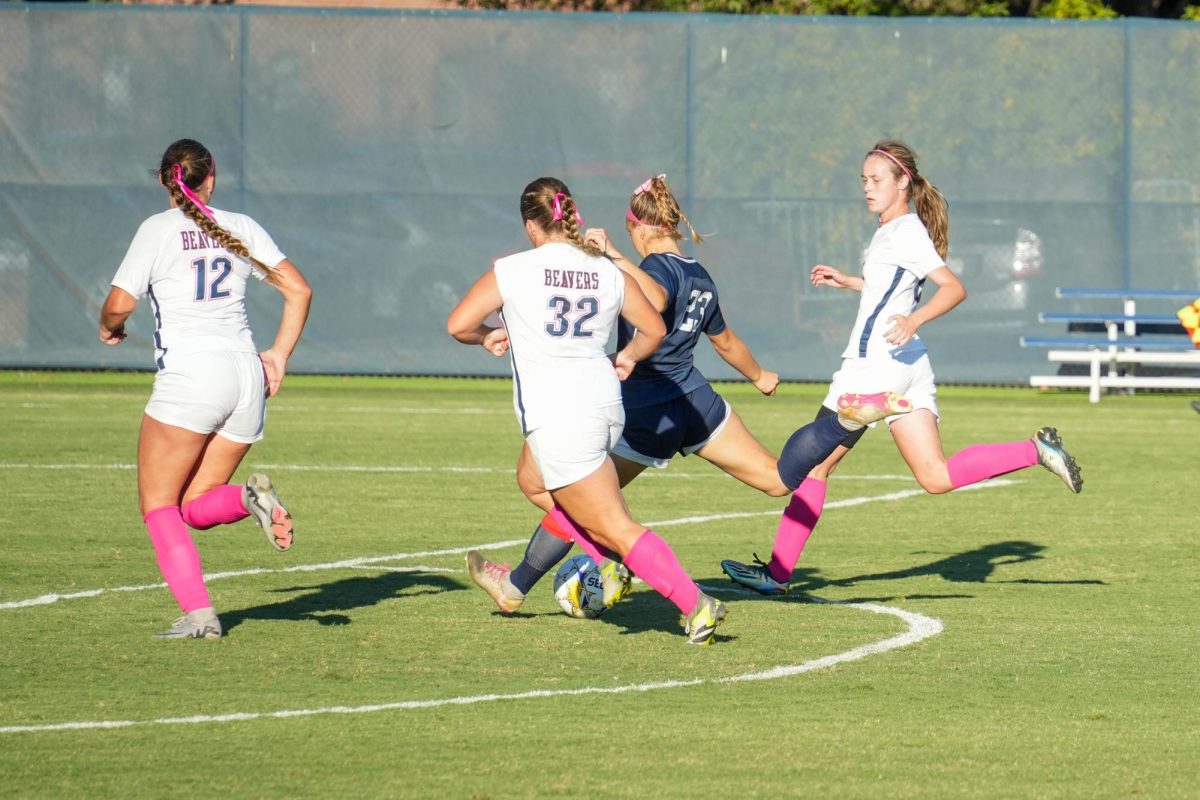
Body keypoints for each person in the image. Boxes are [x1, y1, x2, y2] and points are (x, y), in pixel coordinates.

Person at [462, 174, 909, 619]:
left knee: (573, 499)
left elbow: (654, 300)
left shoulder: (650, 269)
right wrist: (760, 376)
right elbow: (726, 341)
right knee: (777, 480)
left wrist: (614, 257)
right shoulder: (700, 274)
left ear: (640, 228)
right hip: (695, 401)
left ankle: (550, 577)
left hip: (646, 409)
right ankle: (841, 422)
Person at [721, 139, 1083, 596]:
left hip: (875, 365)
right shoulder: (893, 230)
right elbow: (893, 287)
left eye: (876, 180)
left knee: (813, 469)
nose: (867, 189)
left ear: (903, 183)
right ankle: (1036, 450)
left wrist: (915, 319)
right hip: (907, 365)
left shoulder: (906, 231)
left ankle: (776, 574)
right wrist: (852, 282)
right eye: (864, 181)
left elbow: (952, 289)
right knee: (934, 475)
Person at [446, 177, 739, 645]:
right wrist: (627, 357)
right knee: (532, 479)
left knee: (616, 527)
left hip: (562, 414)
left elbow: (458, 323)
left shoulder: (514, 269)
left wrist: (486, 336)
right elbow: (654, 330)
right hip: (604, 404)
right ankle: (516, 585)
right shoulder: (605, 269)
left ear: (531, 225)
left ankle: (693, 604)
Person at [99, 138, 312, 639]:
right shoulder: (242, 226)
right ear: (210, 179)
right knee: (196, 505)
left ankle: (200, 618)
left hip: (194, 377)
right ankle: (246, 499)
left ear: (164, 181)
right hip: (245, 376)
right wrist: (278, 355)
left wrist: (109, 327)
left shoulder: (157, 229)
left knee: (158, 506)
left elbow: (117, 304)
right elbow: (299, 290)